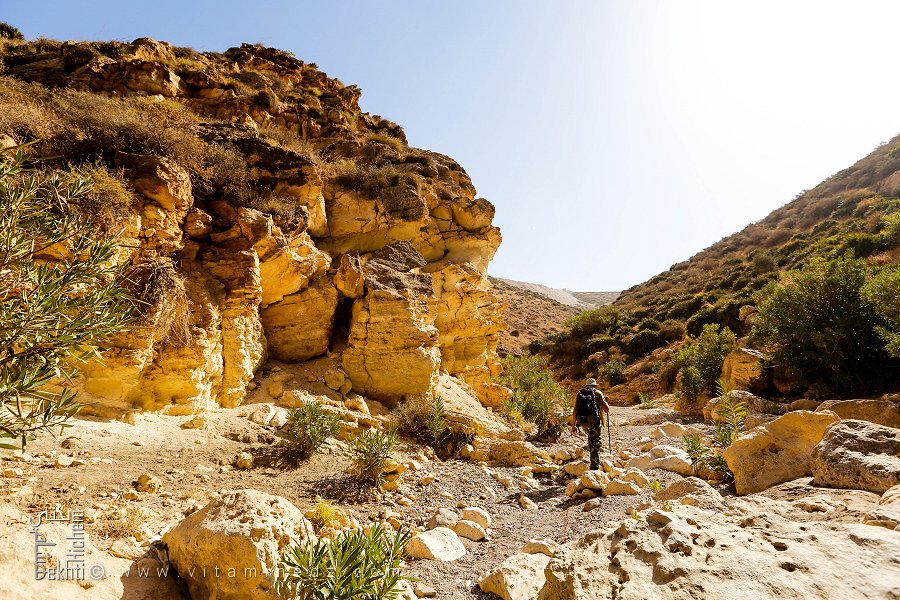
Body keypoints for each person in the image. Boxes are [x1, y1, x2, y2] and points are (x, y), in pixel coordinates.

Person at [570, 378, 610, 470]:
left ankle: (593, 461)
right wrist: (605, 401)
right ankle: (594, 465)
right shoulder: (598, 393)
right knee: (595, 442)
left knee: (591, 439)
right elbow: (606, 409)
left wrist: (574, 426)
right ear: (594, 385)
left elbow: (575, 410)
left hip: (583, 422)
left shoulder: (580, 394)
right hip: (594, 422)